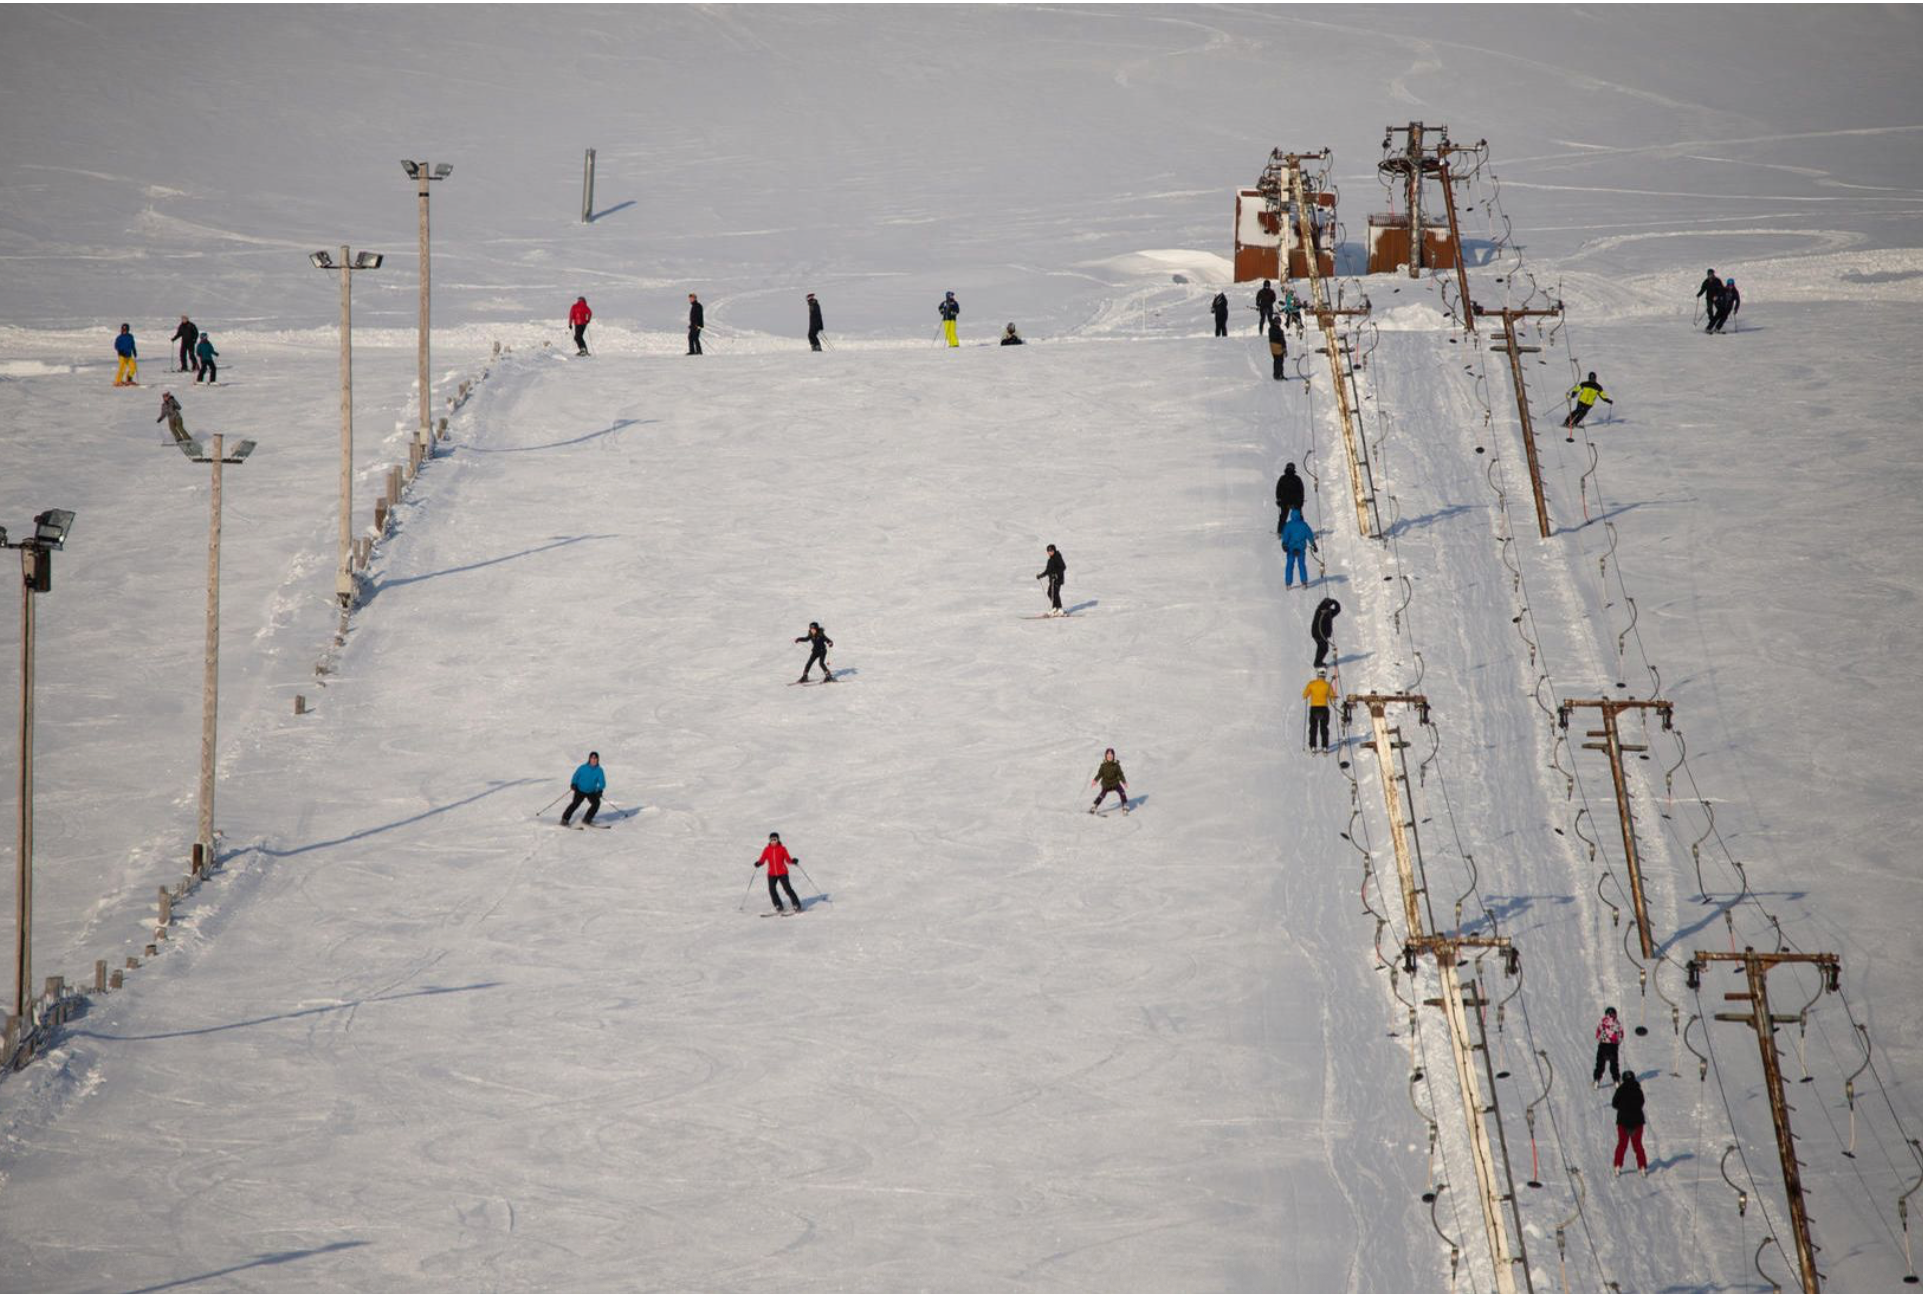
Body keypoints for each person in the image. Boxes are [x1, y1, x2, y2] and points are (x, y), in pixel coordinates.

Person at [756, 832, 804, 914]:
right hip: (771, 874)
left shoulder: (782, 849)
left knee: (788, 889)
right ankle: (778, 905)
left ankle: (797, 905)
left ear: (778, 840)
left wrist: (793, 861)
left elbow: (788, 860)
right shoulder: (767, 850)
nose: (773, 841)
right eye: (771, 840)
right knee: (772, 890)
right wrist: (759, 863)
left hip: (782, 873)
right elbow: (762, 859)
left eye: (775, 839)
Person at [1611, 1072, 1649, 1176]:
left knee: (1622, 1144)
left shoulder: (1620, 1089)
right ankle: (1642, 1167)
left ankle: (1617, 1166)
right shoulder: (1638, 1089)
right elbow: (1641, 1102)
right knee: (1638, 1145)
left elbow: (1614, 1103)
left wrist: (1622, 1108)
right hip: (1637, 1122)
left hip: (1623, 1121)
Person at [559, 751, 605, 828]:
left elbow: (602, 781)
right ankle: (565, 819)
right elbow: (576, 776)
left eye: (595, 758)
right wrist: (573, 783)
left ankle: (587, 819)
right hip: (580, 789)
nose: (594, 760)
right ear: (589, 759)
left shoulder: (599, 770)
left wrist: (600, 790)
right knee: (575, 804)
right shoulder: (583, 768)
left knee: (596, 803)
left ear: (598, 759)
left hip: (591, 791)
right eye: (592, 758)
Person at [1280, 507, 1316, 589]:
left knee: (1289, 565)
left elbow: (1285, 536)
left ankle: (1288, 584)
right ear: (1299, 515)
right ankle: (1304, 582)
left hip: (1290, 549)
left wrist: (1284, 544)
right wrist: (1314, 545)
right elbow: (1310, 535)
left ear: (1291, 515)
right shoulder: (1304, 525)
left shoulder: (1288, 525)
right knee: (1301, 565)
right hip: (1300, 549)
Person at [1303, 668, 1336, 753]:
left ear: (1317, 675)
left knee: (1313, 727)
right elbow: (1332, 697)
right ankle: (1324, 746)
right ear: (1325, 675)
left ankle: (1313, 746)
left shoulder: (1311, 684)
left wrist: (1308, 695)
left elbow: (1304, 695)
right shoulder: (1327, 685)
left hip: (1314, 708)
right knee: (1324, 727)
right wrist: (1334, 697)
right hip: (1324, 708)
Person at [1089, 747, 1128, 813]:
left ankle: (1124, 805)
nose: (1110, 756)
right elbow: (1100, 774)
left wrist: (1124, 781)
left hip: (1115, 783)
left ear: (1113, 756)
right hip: (1106, 784)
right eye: (1108, 754)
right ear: (1106, 755)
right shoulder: (1103, 765)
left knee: (1122, 792)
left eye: (1111, 754)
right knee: (1102, 795)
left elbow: (1120, 774)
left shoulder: (1116, 765)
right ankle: (1095, 806)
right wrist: (1095, 780)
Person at [1594, 1006, 1625, 1086]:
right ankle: (1616, 1080)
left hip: (1603, 1045)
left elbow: (1597, 1034)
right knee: (1614, 1064)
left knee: (1600, 1064)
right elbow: (1621, 1035)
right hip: (1613, 1046)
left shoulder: (1602, 1023)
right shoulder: (1617, 1024)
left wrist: (1601, 1039)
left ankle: (1597, 1079)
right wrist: (1617, 1042)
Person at [1036, 543, 1066, 616]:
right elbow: (1048, 571)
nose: (1050, 552)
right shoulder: (1050, 560)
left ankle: (1059, 609)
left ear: (1054, 550)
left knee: (1055, 593)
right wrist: (1041, 575)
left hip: (1058, 579)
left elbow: (1063, 567)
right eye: (1048, 551)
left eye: (1051, 551)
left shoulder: (1057, 557)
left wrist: (1056, 574)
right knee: (1050, 593)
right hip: (1052, 580)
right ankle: (1055, 608)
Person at [1311, 596, 1341, 668]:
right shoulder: (1321, 611)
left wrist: (1334, 602)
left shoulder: (1327, 612)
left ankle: (1318, 662)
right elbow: (1322, 610)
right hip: (1318, 633)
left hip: (1321, 634)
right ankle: (1317, 663)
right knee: (1324, 648)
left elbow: (1337, 610)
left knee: (1322, 648)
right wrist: (1329, 603)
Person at [1275, 463, 1304, 535]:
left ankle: (1281, 532)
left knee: (1285, 517)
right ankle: (1301, 531)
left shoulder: (1285, 478)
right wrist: (1278, 499)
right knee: (1288, 517)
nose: (1290, 469)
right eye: (1289, 467)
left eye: (1291, 467)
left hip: (1290, 501)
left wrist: (1279, 499)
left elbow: (1301, 491)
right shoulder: (1294, 478)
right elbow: (1278, 490)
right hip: (1289, 501)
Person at [1268, 315, 1289, 380]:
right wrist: (1284, 349)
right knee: (1279, 361)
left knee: (1277, 361)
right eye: (1278, 322)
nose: (1279, 323)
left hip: (1273, 347)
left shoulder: (1271, 329)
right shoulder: (1278, 330)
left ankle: (1277, 374)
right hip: (1278, 347)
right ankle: (1279, 375)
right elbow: (1281, 340)